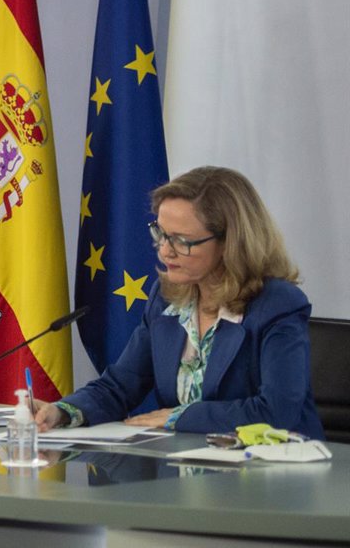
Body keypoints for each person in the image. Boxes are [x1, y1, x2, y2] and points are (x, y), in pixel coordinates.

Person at [35, 166, 324, 438]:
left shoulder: (277, 304)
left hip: (270, 475)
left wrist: (178, 417)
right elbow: (119, 387)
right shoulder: (166, 298)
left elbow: (276, 411)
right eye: (160, 234)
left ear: (230, 242)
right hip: (187, 470)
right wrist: (62, 412)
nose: (164, 251)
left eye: (181, 241)